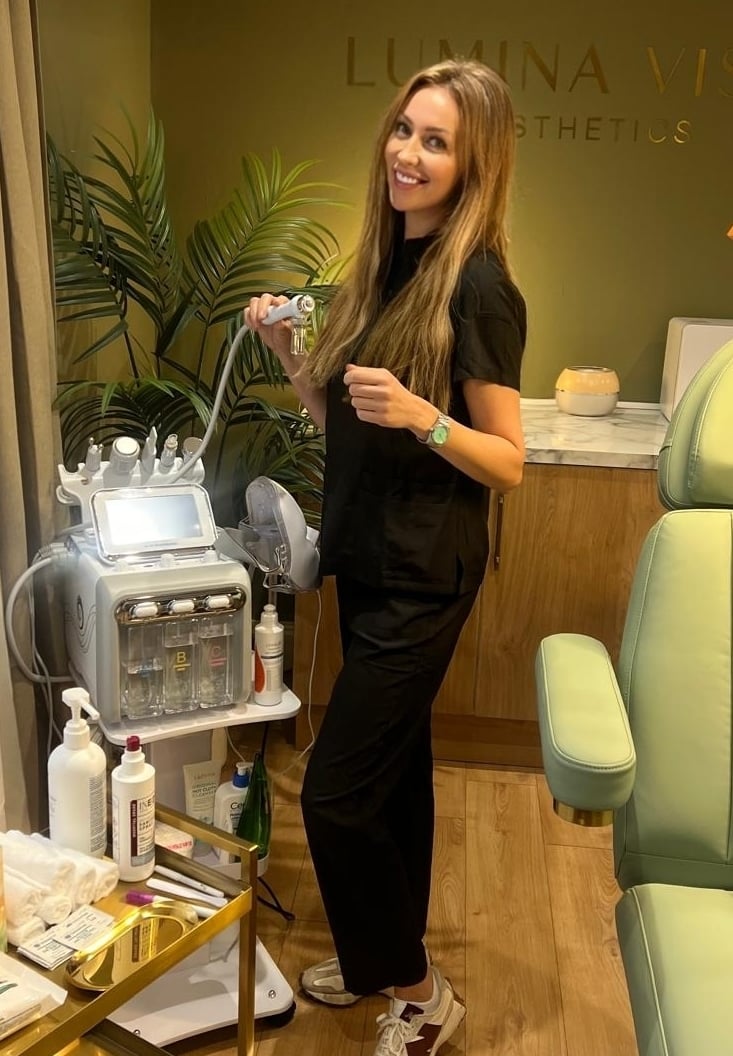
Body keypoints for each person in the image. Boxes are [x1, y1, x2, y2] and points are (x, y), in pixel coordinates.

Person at [245, 58, 526, 1056]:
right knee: (395, 778)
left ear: (471, 164)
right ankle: (384, 961)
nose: (409, 153)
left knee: (333, 792)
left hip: (424, 575)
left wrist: (425, 417)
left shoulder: (481, 287)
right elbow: (345, 426)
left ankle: (416, 990)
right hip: (363, 561)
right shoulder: (380, 267)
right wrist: (291, 358)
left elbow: (508, 460)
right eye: (405, 130)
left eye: (436, 141)